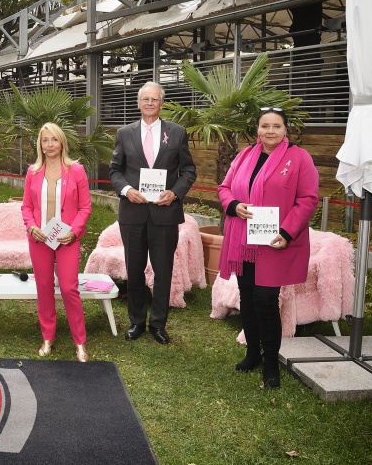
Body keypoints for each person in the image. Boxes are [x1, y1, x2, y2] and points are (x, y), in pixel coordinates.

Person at [217, 108, 318, 389]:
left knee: (265, 301)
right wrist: (234, 206)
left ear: (286, 129)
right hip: (243, 242)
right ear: (257, 129)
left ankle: (271, 363)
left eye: (276, 126)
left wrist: (287, 232)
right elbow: (224, 188)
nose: (270, 131)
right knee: (247, 299)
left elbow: (308, 199)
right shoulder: (245, 155)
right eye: (264, 126)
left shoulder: (299, 158)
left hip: (274, 242)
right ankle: (252, 354)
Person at [109, 82, 196, 345]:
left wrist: (175, 193)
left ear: (161, 104)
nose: (149, 103)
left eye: (154, 99)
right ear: (138, 103)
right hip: (133, 214)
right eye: (145, 99)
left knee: (163, 270)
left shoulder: (177, 133)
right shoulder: (125, 133)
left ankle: (158, 324)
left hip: (164, 214)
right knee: (134, 271)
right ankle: (136, 322)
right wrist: (125, 189)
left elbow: (189, 171)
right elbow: (115, 170)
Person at [22, 123, 93, 362]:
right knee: (43, 288)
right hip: (40, 239)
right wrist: (31, 227)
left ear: (62, 142)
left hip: (66, 239)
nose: (49, 145)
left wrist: (74, 232)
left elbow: (85, 207)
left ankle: (80, 341)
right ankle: (48, 337)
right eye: (45, 140)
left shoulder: (76, 171)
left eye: (54, 140)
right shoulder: (32, 172)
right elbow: (26, 206)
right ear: (39, 144)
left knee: (69, 288)